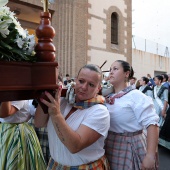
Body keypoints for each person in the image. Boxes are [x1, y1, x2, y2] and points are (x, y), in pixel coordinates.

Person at [34, 64, 110, 169]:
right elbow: (38, 123)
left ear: (98, 88)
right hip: (55, 165)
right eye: (81, 81)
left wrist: (56, 114)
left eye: (91, 85)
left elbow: (74, 146)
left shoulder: (100, 112)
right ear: (75, 80)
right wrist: (47, 92)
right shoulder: (63, 101)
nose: (84, 87)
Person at [104, 60, 159, 170]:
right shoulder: (107, 95)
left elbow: (152, 124)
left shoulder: (136, 96)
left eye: (115, 69)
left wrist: (150, 156)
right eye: (110, 70)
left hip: (129, 146)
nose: (110, 72)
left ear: (127, 74)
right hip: (109, 145)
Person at [0, 100, 46, 170]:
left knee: (17, 161)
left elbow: (5, 113)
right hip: (5, 131)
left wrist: (5, 93)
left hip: (17, 133)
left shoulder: (19, 97)